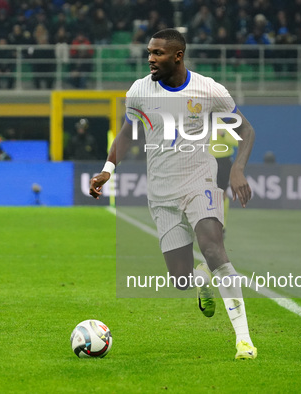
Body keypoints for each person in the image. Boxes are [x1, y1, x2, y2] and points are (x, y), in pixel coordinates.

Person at [89, 28, 257, 360]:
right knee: (180, 280)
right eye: (149, 53)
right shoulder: (139, 90)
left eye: (158, 53)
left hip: (200, 182)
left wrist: (237, 168)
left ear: (177, 56)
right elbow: (127, 133)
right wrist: (107, 169)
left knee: (214, 248)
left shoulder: (208, 89)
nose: (150, 58)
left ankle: (244, 341)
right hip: (161, 193)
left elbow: (246, 130)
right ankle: (200, 277)